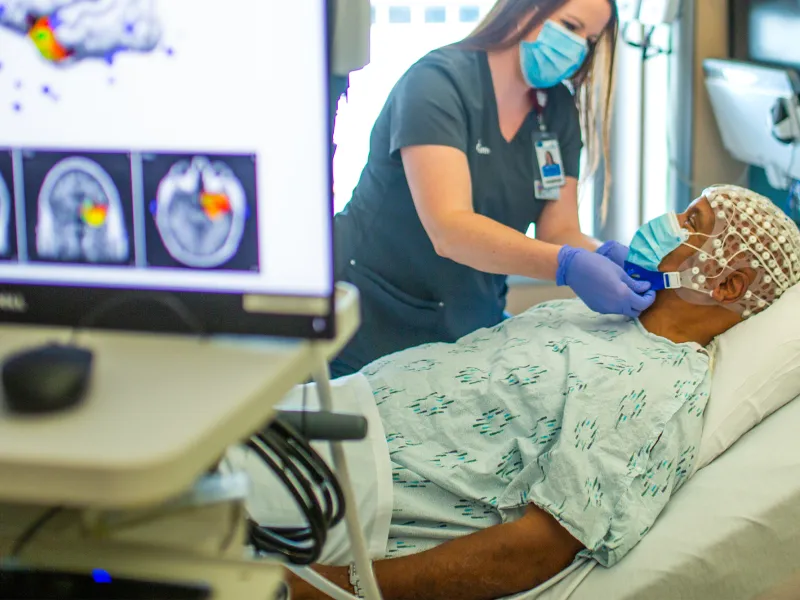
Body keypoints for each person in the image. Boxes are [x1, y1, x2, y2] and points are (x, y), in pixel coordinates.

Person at [263, 185, 800, 600]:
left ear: (727, 284)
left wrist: (342, 587)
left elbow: (537, 548)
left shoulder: (658, 389)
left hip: (348, 483)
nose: (668, 222)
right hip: (334, 410)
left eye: (691, 222)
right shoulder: (608, 314)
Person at [331, 0, 656, 378]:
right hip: (368, 317)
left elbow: (559, 231)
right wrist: (567, 265)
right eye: (570, 26)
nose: (577, 47)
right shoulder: (436, 83)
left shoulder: (557, 112)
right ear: (524, 9)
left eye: (590, 39)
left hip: (465, 326)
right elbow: (450, 229)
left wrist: (607, 256)